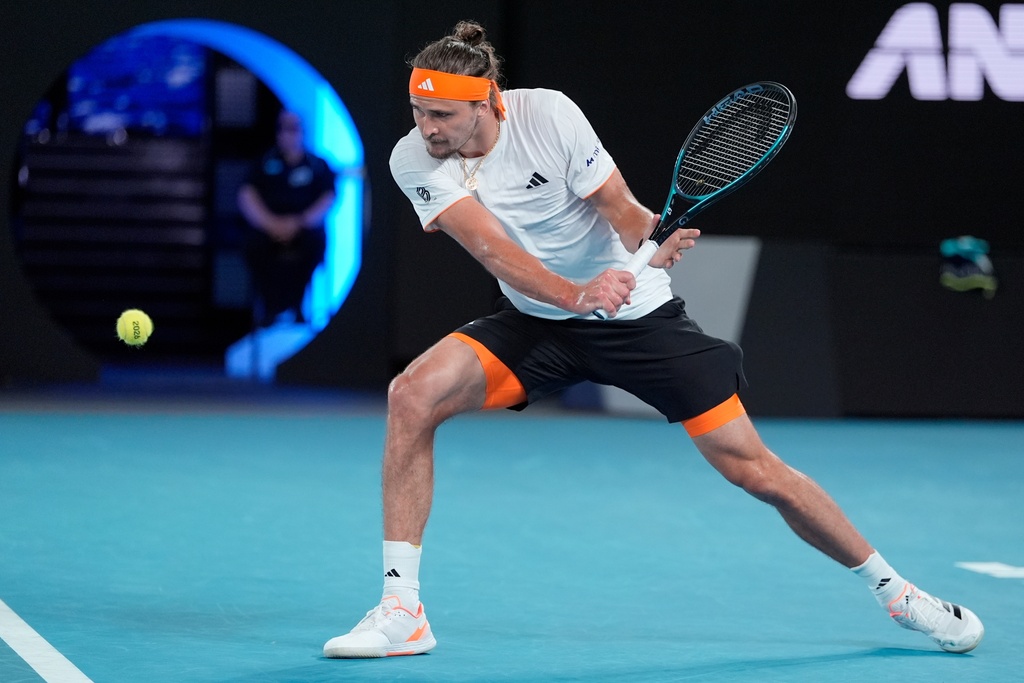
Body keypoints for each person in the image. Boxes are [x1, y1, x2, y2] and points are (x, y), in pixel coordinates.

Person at [323, 21, 984, 659]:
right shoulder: (412, 157)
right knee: (412, 395)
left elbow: (620, 208)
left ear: (488, 100)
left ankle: (898, 594)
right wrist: (576, 295)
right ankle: (402, 610)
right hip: (535, 322)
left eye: (442, 115)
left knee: (756, 471)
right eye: (418, 111)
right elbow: (493, 249)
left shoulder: (548, 115)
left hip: (638, 322)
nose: (427, 128)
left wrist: (648, 234)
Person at [238, 110, 336, 326]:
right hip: (268, 229)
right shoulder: (264, 162)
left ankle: (298, 306)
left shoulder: (317, 165)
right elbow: (246, 195)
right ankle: (270, 309)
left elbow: (328, 197)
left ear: (302, 132)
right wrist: (271, 223)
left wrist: (299, 222)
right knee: (254, 247)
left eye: (293, 129)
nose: (288, 135)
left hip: (303, 230)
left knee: (314, 245)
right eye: (283, 129)